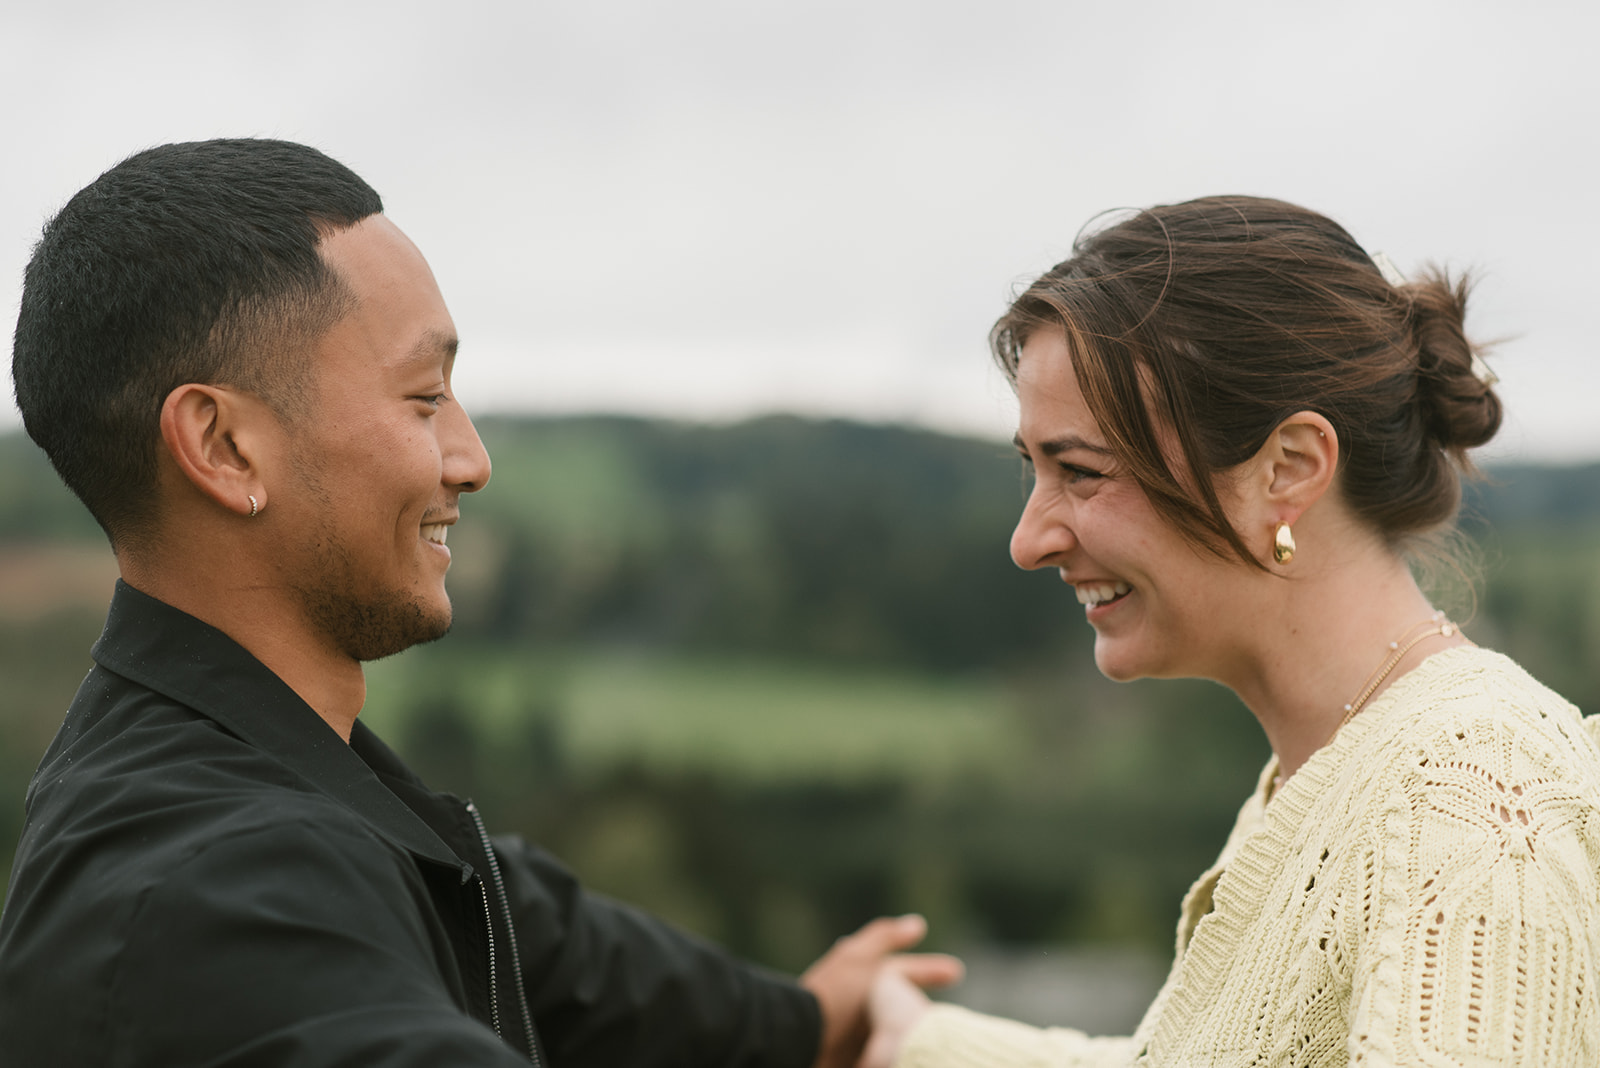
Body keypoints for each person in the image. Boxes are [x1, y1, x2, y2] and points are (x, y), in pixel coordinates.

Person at [0, 138, 959, 1067]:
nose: (473, 459)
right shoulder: (219, 897)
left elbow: (532, 935)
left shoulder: (275, 778)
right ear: (223, 446)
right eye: (424, 398)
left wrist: (794, 1026)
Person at [862, 196, 1600, 1067]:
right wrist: (922, 1044)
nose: (1029, 541)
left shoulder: (1471, 805)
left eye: (1081, 471)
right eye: (1035, 469)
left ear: (1287, 469)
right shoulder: (1340, 772)